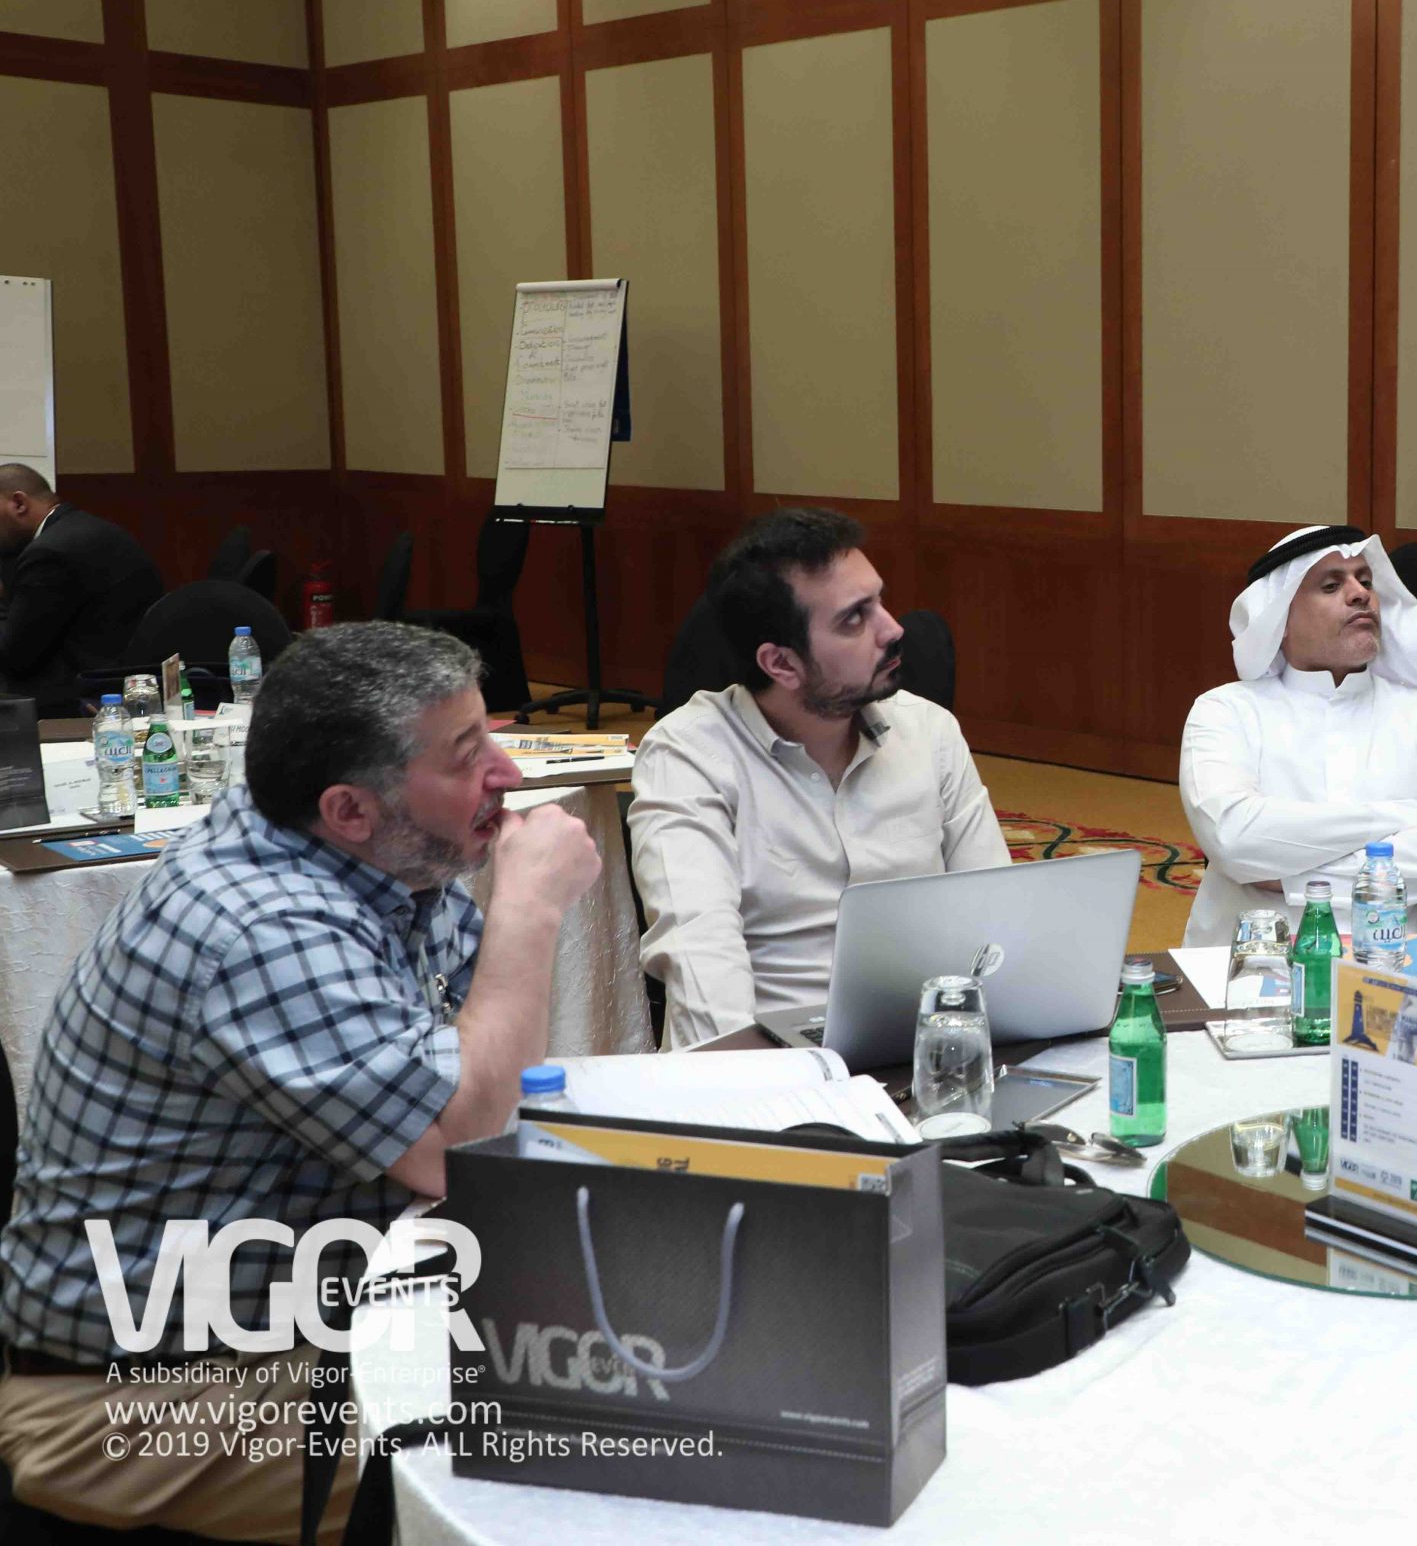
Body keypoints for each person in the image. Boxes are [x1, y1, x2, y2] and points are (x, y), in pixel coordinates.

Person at [0, 623, 601, 1542]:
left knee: (620, 1348)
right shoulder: (259, 924)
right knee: (588, 1439)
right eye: (466, 754)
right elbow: (458, 1147)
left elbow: (486, 1077)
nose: (508, 774)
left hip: (290, 1334)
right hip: (135, 1406)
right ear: (349, 808)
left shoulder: (385, 857)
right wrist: (529, 909)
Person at [630, 508, 1009, 1048]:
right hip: (772, 1058)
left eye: (879, 601)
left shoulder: (929, 731)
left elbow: (997, 923)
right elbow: (703, 972)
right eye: (854, 619)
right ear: (782, 664)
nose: (893, 628)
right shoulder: (689, 756)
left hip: (926, 1048)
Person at [1178, 525, 1417, 949]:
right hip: (1255, 962)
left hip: (1406, 965)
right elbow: (1235, 840)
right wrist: (1398, 817)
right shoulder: (1225, 712)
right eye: (1331, 586)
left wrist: (1286, 877)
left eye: (1365, 581)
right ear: (1279, 619)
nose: (1360, 593)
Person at [0, 463, 164, 716]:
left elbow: (15, 656)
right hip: (124, 680)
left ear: (19, 503)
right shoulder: (86, 528)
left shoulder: (49, 553)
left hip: (82, 699)